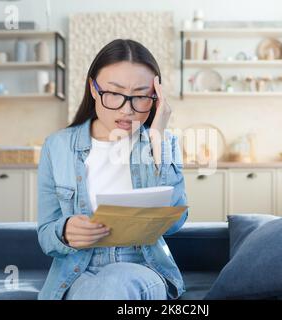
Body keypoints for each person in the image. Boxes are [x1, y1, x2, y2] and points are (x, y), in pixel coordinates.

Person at [37, 39, 188, 300]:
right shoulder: (57, 146)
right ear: (94, 89)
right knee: (101, 289)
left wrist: (157, 138)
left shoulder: (163, 142)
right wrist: (65, 230)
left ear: (156, 98)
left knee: (115, 282)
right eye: (115, 94)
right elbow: (46, 235)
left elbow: (174, 223)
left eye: (141, 96)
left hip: (143, 268)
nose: (127, 110)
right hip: (77, 272)